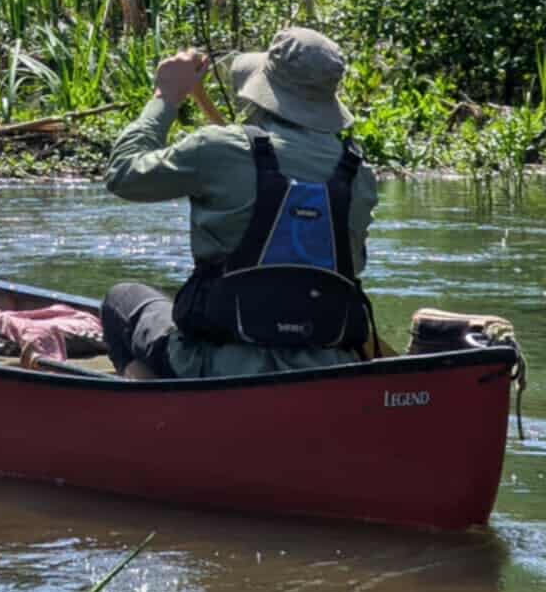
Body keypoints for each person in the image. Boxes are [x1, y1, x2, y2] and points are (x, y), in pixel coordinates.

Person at [100, 28, 380, 380]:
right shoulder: (359, 173)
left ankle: (158, 413)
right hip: (329, 366)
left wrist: (165, 98)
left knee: (121, 299)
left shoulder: (220, 148)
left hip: (215, 366)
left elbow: (123, 174)